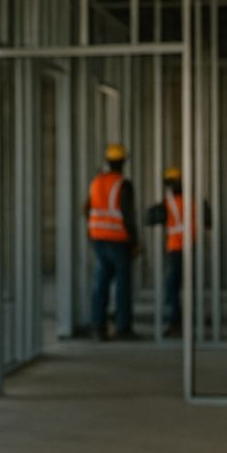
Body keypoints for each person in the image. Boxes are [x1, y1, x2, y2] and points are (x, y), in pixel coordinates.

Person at [85, 143, 141, 340]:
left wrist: (92, 232)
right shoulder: (122, 184)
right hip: (118, 240)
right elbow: (128, 216)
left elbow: (86, 208)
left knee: (100, 283)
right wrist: (135, 242)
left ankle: (97, 327)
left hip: (98, 238)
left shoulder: (96, 182)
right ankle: (123, 327)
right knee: (123, 285)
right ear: (123, 162)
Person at [146, 166, 209, 337]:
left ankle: (176, 322)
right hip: (194, 247)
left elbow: (149, 219)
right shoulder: (195, 201)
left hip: (176, 249)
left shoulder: (167, 204)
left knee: (172, 286)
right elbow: (208, 221)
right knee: (192, 284)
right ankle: (196, 317)